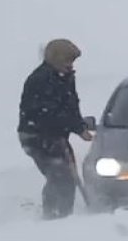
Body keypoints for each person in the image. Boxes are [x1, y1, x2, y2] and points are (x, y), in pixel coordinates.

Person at [17, 39, 93, 220]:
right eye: (68, 61)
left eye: (73, 61)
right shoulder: (40, 80)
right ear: (55, 59)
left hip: (55, 134)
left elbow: (71, 106)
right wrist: (75, 127)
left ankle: (62, 215)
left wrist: (80, 126)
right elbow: (48, 112)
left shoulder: (65, 77)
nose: (71, 65)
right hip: (36, 136)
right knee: (61, 177)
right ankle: (54, 217)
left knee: (65, 176)